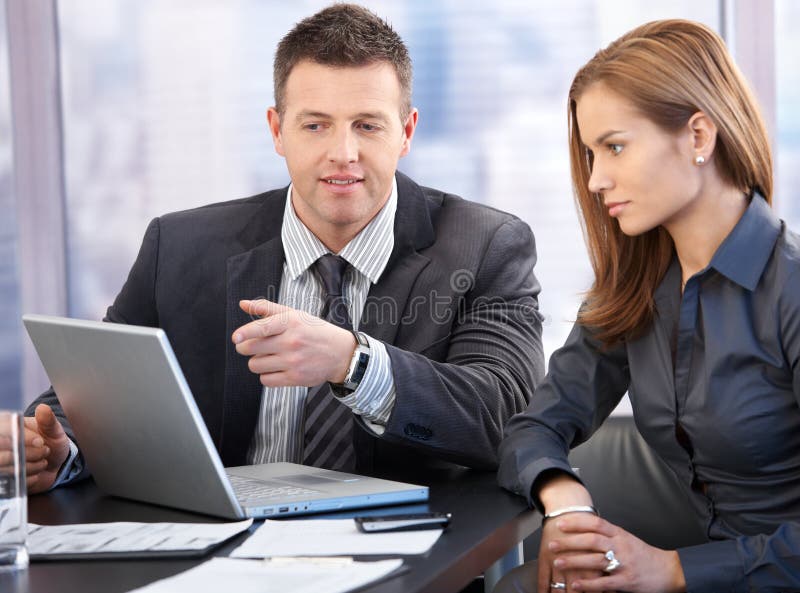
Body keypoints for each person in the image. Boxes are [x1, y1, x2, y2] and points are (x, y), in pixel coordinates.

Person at [23, 4, 544, 494]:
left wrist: (352, 363)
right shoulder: (180, 247)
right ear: (277, 130)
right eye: (315, 125)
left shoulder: (486, 246)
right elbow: (90, 397)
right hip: (224, 554)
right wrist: (56, 450)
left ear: (405, 133)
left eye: (367, 125)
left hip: (413, 556)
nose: (343, 154)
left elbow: (509, 419)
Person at [495, 19, 800, 593]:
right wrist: (566, 503)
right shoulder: (637, 288)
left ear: (699, 137)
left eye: (613, 147)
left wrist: (674, 570)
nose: (594, 179)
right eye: (589, 153)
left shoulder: (791, 289)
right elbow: (534, 427)